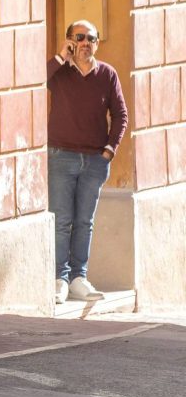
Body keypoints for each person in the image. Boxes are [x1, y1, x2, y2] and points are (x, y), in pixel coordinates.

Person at [47, 20, 128, 304]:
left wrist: (109, 150)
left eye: (90, 38)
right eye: (79, 38)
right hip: (61, 157)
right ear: (69, 40)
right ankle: (60, 279)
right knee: (61, 221)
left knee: (84, 222)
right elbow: (33, 85)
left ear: (97, 42)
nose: (85, 43)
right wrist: (60, 57)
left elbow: (121, 115)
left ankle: (79, 278)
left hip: (95, 160)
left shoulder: (107, 74)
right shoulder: (59, 73)